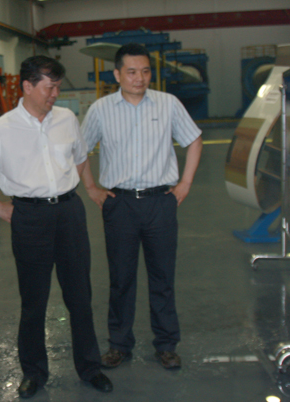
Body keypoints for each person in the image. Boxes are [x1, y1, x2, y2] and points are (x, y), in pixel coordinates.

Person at [0, 56, 112, 399]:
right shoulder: (0, 129)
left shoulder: (67, 119)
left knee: (80, 296)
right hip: (30, 217)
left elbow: (80, 157)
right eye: (49, 87)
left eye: (57, 87)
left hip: (69, 213)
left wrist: (86, 186)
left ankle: (90, 367)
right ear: (27, 87)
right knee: (34, 301)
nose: (55, 94)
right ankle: (33, 372)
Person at [80, 43, 203, 371]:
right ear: (117, 74)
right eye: (132, 72)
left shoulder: (168, 104)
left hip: (160, 202)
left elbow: (194, 140)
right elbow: (79, 150)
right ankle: (119, 344)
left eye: (146, 71)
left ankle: (166, 344)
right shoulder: (101, 110)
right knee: (121, 278)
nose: (140, 78)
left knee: (163, 277)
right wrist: (91, 188)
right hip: (119, 204)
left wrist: (185, 183)